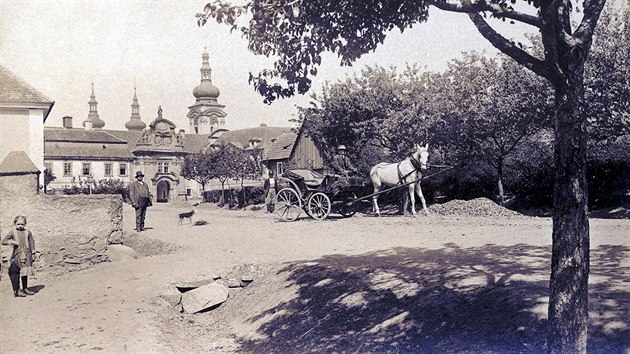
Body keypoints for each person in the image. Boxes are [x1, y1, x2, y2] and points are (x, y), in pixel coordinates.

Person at [2, 215, 36, 297]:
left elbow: (31, 242)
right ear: (15, 224)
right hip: (17, 255)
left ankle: (25, 288)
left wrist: (33, 254)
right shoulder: (12, 232)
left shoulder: (28, 232)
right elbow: (3, 241)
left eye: (22, 224)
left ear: (25, 224)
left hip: (27, 254)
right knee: (15, 271)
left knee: (25, 272)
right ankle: (17, 290)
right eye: (18, 224)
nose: (20, 226)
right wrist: (13, 242)